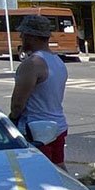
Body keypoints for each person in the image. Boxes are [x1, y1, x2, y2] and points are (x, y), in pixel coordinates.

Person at [8, 15, 69, 168]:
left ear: (32, 37)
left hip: (36, 131)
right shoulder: (57, 62)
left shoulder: (32, 64)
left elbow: (17, 104)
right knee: (59, 170)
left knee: (39, 173)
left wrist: (11, 122)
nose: (21, 37)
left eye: (23, 34)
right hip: (58, 126)